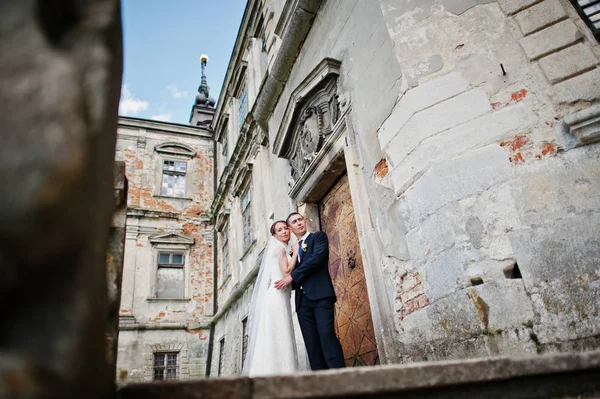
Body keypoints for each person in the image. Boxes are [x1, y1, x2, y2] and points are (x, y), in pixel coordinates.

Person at [274, 212, 345, 370]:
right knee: (311, 344)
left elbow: (317, 259)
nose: (299, 223)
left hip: (321, 297)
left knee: (326, 335)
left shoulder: (318, 237)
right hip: (302, 303)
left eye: (300, 220)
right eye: (294, 222)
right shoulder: (292, 251)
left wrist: (293, 276)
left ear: (304, 222)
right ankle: (321, 384)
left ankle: (340, 378)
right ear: (290, 229)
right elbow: (284, 274)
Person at [242, 220, 301, 376]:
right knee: (281, 333)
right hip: (277, 298)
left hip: (276, 295)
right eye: (279, 230)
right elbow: (287, 271)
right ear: (274, 235)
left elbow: (270, 278)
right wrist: (296, 251)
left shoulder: (278, 249)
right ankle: (284, 373)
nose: (284, 232)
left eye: (285, 228)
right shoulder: (280, 248)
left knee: (274, 335)